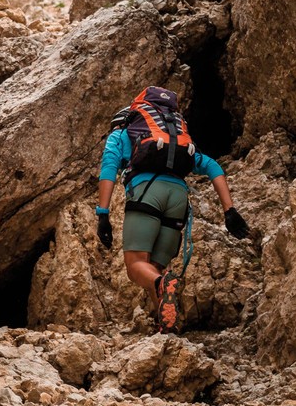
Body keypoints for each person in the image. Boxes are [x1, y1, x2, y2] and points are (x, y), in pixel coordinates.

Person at [95, 85, 249, 333]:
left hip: (147, 192)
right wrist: (229, 211)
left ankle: (161, 284)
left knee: (136, 266)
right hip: (178, 198)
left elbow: (108, 171)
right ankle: (167, 326)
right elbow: (213, 168)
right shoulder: (175, 138)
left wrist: (102, 214)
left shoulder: (122, 134)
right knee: (155, 267)